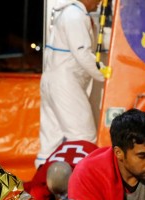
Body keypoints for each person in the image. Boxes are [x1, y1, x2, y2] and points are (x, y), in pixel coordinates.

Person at [36, 0, 109, 168]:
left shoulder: (67, 13)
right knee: (84, 135)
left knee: (52, 138)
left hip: (53, 80)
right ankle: (81, 182)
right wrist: (105, 75)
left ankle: (43, 184)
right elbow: (82, 53)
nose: (100, 3)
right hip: (65, 83)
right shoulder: (75, 16)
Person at [25, 140, 97, 200]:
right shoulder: (40, 178)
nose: (60, 199)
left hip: (90, 147)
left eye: (63, 194)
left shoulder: (90, 175)